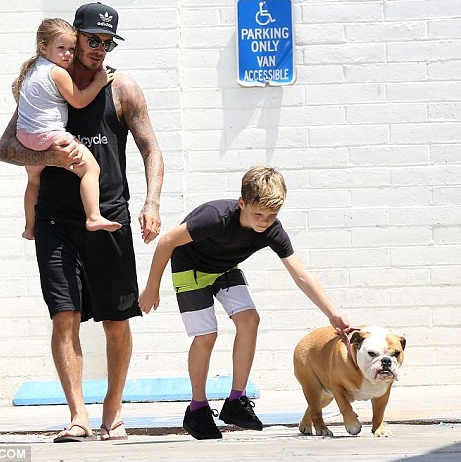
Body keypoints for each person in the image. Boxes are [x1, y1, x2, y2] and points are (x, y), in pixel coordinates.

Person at [0, 2, 164, 442]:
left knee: (116, 320)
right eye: (93, 40)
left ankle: (113, 411)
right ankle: (77, 415)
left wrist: (152, 202)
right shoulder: (46, 83)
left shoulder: (123, 88)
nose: (99, 49)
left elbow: (150, 147)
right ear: (75, 36)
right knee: (64, 316)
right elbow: (5, 149)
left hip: (110, 217)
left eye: (108, 43)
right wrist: (53, 158)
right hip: (55, 219)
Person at [138, 165, 352, 440]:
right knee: (206, 334)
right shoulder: (215, 217)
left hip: (225, 268)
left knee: (250, 320)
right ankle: (197, 409)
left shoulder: (272, 230)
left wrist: (333, 314)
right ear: (242, 204)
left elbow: (300, 274)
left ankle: (235, 401)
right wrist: (152, 287)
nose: (264, 222)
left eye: (272, 215)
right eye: (258, 214)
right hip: (190, 266)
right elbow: (167, 241)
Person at [14, 17, 119, 240]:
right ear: (43, 48)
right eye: (61, 48)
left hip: (25, 136)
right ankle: (93, 216)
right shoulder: (57, 72)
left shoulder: (30, 69)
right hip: (50, 136)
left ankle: (29, 227)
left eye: (71, 49)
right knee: (91, 170)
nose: (68, 54)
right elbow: (79, 101)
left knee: (34, 181)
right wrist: (99, 82)